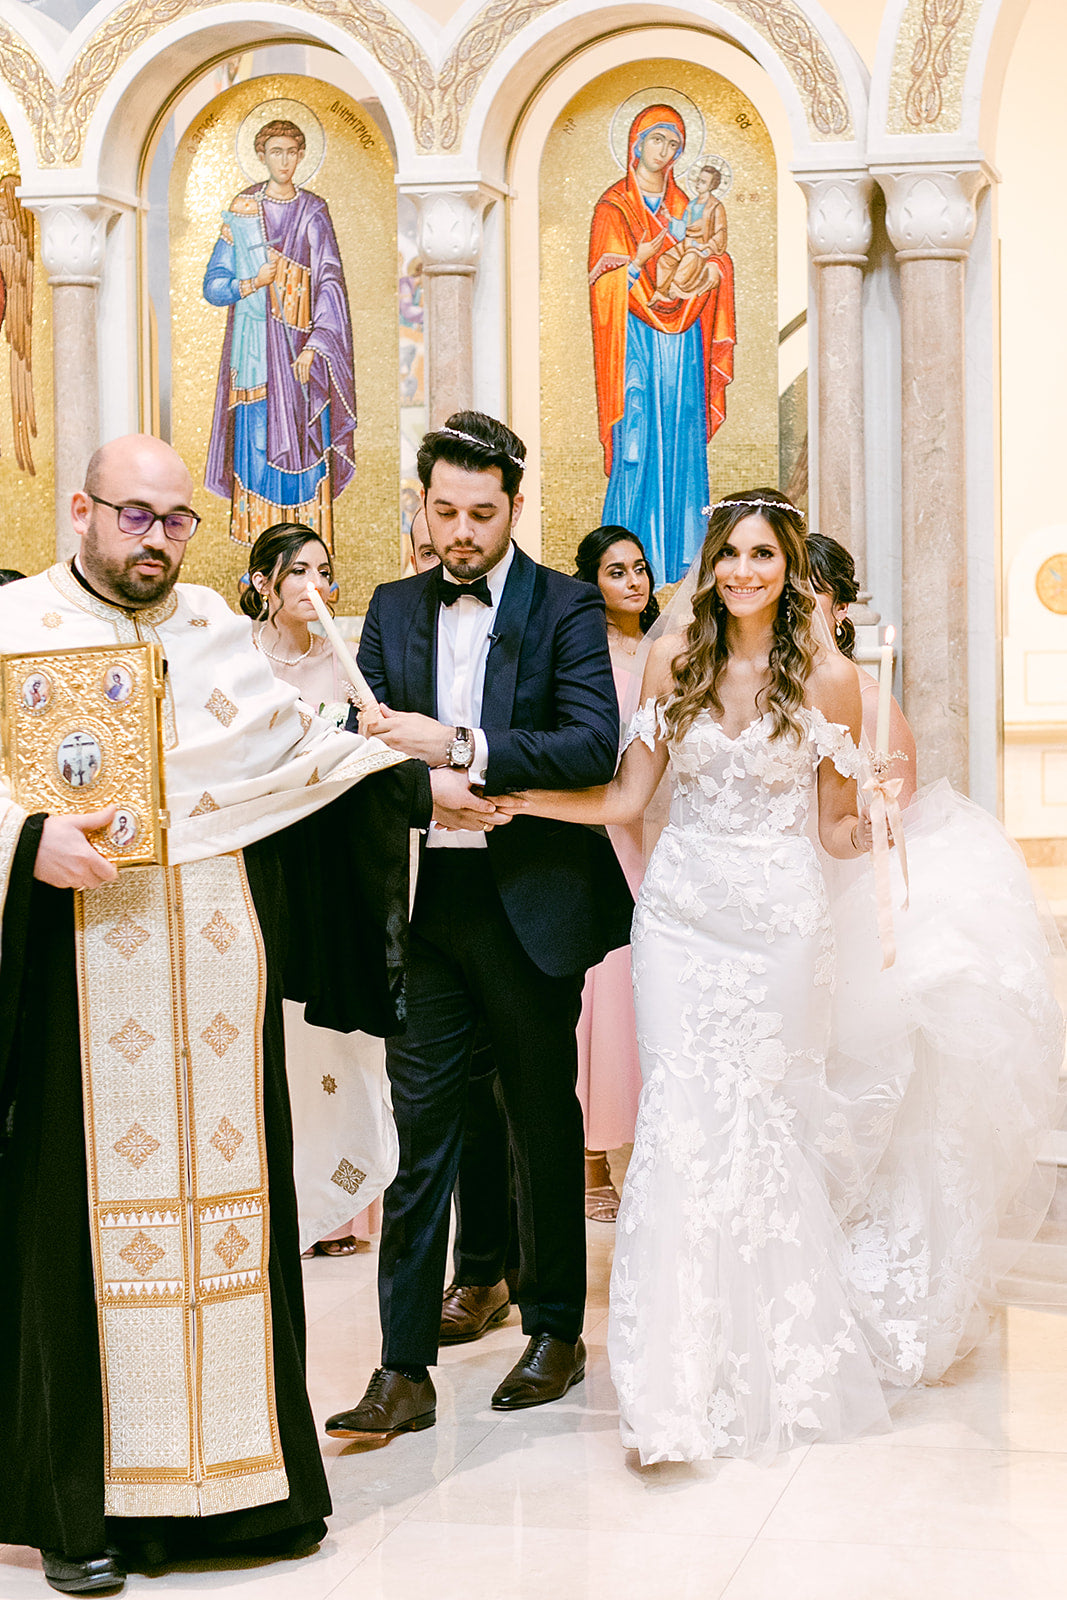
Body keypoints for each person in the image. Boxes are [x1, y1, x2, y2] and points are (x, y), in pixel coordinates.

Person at [499, 488, 1064, 1464]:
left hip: (780, 927)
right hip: (680, 923)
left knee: (761, 1131)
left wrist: (878, 823)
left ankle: (766, 1364)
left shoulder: (829, 679)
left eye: (763, 554)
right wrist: (516, 799)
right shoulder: (675, 662)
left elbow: (833, 826)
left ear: (785, 565)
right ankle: (667, 1386)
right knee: (681, 1125)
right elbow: (626, 798)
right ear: (711, 565)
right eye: (730, 554)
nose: (745, 570)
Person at [0, 435, 436, 1594]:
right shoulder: (18, 626)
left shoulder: (209, 629)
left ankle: (241, 1493)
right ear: (81, 513)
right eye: (134, 517)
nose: (156, 540)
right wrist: (26, 840)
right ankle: (80, 1513)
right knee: (77, 1226)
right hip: (76, 963)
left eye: (175, 520)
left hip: (218, 961)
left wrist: (422, 786)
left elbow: (298, 756)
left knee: (235, 1215)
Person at [323, 411, 633, 1443]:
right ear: (421, 503)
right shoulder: (391, 604)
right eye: (444, 511)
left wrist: (462, 746)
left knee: (541, 1119)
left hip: (529, 899)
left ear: (513, 505)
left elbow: (592, 743)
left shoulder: (565, 604)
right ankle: (402, 1365)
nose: (460, 532)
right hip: (427, 901)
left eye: (481, 513)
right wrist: (428, 790)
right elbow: (355, 744)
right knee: (424, 1139)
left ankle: (552, 1327)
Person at [242, 522, 388, 1261]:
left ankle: (336, 1208)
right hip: (265, 854)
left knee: (328, 1031)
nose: (313, 586)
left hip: (329, 857)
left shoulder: (345, 662)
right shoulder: (238, 662)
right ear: (265, 583)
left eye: (322, 571)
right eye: (297, 571)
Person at [589, 104, 735, 583]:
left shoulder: (685, 206)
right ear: (636, 143)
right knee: (638, 431)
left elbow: (718, 258)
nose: (665, 151)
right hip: (633, 341)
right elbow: (603, 283)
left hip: (683, 342)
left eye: (674, 144)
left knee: (679, 432)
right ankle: (625, 560)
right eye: (657, 140)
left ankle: (687, 560)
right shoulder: (614, 206)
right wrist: (638, 262)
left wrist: (713, 273)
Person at [203, 116, 357, 548]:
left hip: (300, 356)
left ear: (302, 155)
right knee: (254, 445)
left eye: (291, 152)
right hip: (254, 356)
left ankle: (310, 555)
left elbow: (330, 280)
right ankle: (261, 557)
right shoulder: (243, 209)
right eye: (276, 152)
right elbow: (214, 285)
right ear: (261, 156)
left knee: (308, 448)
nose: (284, 160)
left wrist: (317, 344)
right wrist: (252, 282)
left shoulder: (313, 210)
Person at [572, 525, 658, 1220]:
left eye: (639, 569)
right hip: (606, 828)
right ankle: (591, 1153)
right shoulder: (586, 658)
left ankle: (642, 1147)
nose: (633, 582)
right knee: (604, 985)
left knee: (645, 989)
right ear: (591, 582)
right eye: (615, 571)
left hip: (660, 829)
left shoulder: (666, 652)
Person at [648, 163, 727, 308]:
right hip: (687, 243)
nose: (698, 184)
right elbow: (684, 228)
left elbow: (721, 232)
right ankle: (661, 291)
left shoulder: (716, 206)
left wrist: (708, 246)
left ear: (711, 186)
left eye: (703, 182)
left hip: (701, 246)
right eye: (698, 180)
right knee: (665, 259)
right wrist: (670, 219)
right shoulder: (691, 205)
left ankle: (672, 293)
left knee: (688, 260)